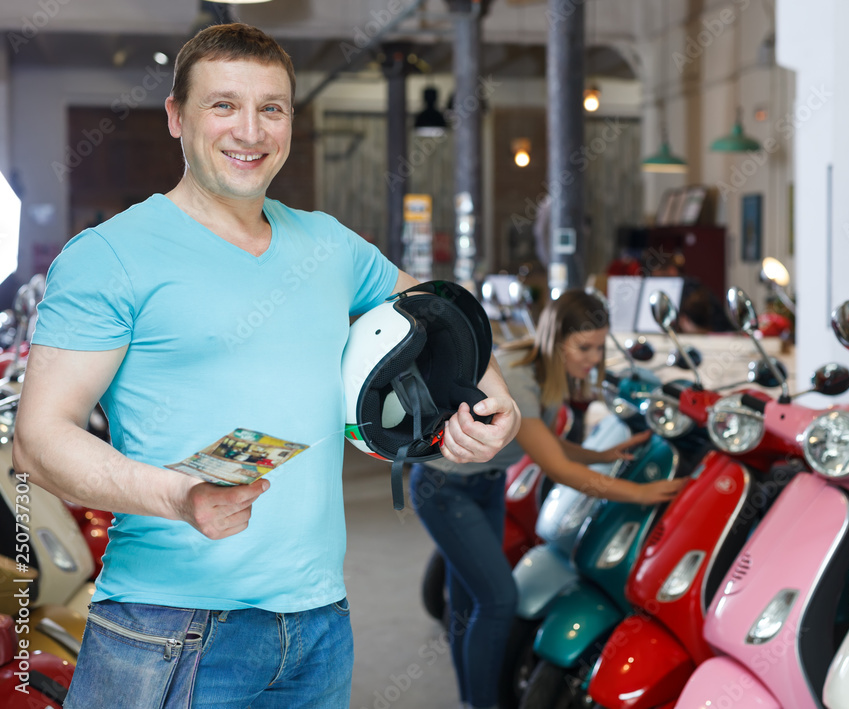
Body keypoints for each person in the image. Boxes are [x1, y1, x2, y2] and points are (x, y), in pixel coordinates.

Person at [11, 23, 520, 709]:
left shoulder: (328, 243)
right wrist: (177, 496)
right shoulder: (110, 255)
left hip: (318, 625)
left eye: (271, 108)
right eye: (223, 105)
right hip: (168, 626)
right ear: (176, 116)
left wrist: (494, 400)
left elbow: (437, 313)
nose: (250, 130)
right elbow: (40, 441)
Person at [408, 288, 687, 709]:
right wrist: (642, 493)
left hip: (485, 485)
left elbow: (544, 442)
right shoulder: (520, 377)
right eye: (584, 346)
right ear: (557, 340)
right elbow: (558, 469)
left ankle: (472, 699)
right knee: (499, 599)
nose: (593, 358)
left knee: (469, 600)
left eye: (599, 346)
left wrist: (602, 455)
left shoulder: (546, 372)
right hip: (446, 489)